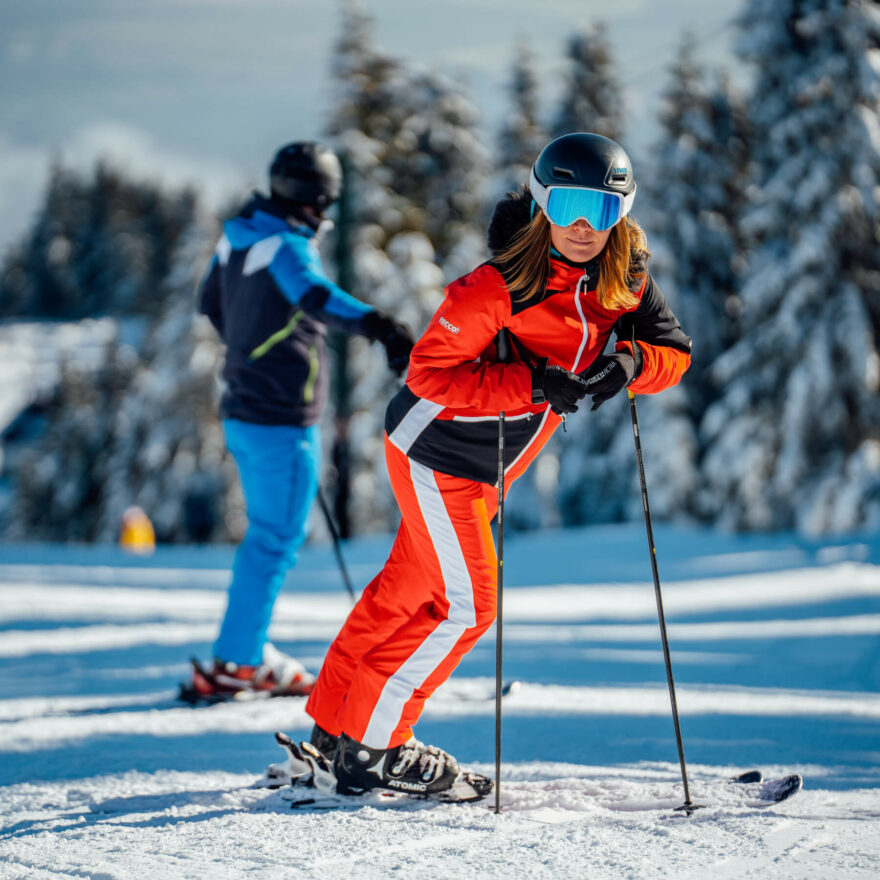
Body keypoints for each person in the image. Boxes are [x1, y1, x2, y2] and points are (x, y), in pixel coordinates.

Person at [294, 132, 693, 798]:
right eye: (567, 206)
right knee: (467, 607)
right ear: (541, 203)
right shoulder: (499, 284)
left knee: (407, 591)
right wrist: (532, 384)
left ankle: (335, 727)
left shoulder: (625, 277)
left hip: (488, 468)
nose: (583, 227)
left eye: (600, 209)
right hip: (436, 451)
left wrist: (630, 364)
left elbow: (673, 351)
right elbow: (427, 375)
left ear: (621, 213)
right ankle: (374, 745)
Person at [185, 141, 414, 702]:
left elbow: (209, 303)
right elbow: (316, 296)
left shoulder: (240, 235)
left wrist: (254, 344)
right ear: (321, 199)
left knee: (269, 535)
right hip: (279, 416)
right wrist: (381, 326)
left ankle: (241, 653)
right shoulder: (286, 244)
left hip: (245, 408)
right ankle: (237, 662)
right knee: (274, 538)